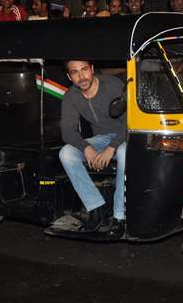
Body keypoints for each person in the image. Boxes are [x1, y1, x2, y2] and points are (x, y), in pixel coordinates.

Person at [59, 60, 126, 234]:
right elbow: (67, 131)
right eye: (75, 72)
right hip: (101, 138)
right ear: (69, 76)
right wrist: (86, 148)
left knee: (124, 152)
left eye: (84, 70)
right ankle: (96, 207)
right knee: (66, 153)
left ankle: (120, 216)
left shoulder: (112, 85)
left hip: (125, 135)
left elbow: (130, 122)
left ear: (92, 69)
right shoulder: (71, 96)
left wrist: (112, 148)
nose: (81, 77)